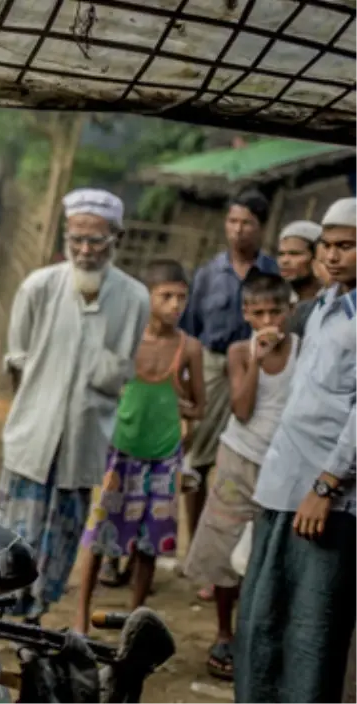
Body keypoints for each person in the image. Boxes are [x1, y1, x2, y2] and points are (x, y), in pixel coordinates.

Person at [0, 188, 149, 621]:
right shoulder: (38, 287)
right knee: (13, 536)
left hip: (83, 446)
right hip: (32, 438)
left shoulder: (135, 299)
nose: (85, 250)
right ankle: (0, 614)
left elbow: (121, 372)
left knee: (60, 542)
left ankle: (36, 618)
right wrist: (36, 410)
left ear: (116, 238)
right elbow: (18, 363)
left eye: (96, 241)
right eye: (77, 238)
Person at [235, 198, 357, 704]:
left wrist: (326, 485)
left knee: (311, 633)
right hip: (281, 487)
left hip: (324, 500)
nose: (331, 256)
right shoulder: (323, 307)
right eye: (326, 245)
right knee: (263, 623)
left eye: (346, 246)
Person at [75, 259, 206, 634]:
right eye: (166, 296)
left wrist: (177, 405)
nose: (175, 305)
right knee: (101, 536)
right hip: (121, 453)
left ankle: (135, 618)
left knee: (150, 543)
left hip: (164, 458)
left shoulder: (189, 349)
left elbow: (201, 406)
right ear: (146, 298)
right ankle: (81, 615)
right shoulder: (126, 342)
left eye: (182, 297)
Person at [180, 272, 296, 681]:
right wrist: (258, 362)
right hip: (239, 457)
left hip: (283, 463)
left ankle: (257, 635)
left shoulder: (304, 351)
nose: (268, 319)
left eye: (275, 311)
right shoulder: (239, 352)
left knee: (266, 552)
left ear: (289, 310)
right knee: (226, 545)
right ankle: (225, 632)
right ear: (246, 313)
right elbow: (242, 409)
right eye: (259, 311)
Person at [180, 190, 279, 566]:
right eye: (232, 222)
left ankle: (241, 553)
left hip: (259, 369)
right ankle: (197, 546)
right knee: (199, 461)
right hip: (212, 365)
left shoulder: (272, 273)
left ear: (261, 227)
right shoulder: (208, 274)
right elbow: (191, 330)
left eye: (247, 223)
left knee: (250, 460)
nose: (238, 230)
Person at [277, 220, 324, 338]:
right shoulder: (277, 300)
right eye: (281, 254)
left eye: (294, 254)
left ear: (317, 257)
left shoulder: (332, 301)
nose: (285, 261)